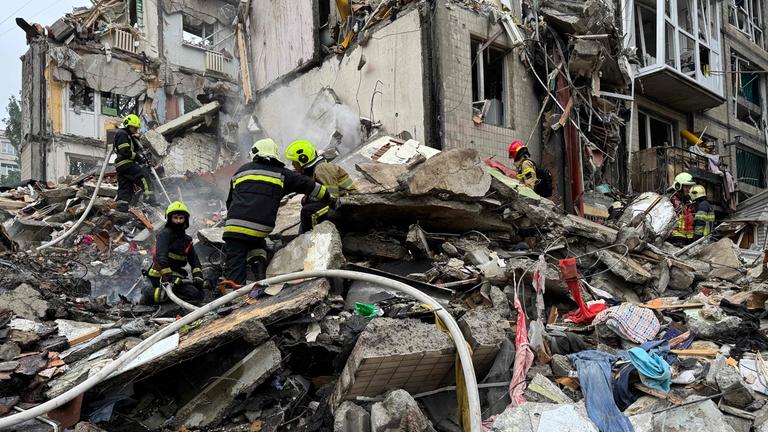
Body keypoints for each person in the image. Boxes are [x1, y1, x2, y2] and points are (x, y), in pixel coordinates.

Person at [222, 138, 329, 285]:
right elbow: (311, 186)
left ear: (255, 154)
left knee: (235, 263)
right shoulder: (282, 174)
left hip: (235, 227)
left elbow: (230, 202)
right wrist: (328, 197)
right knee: (256, 242)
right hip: (261, 228)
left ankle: (234, 294)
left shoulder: (241, 171)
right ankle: (260, 277)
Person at [141, 201, 205, 305]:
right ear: (169, 219)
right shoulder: (164, 235)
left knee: (199, 293)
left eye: (181, 218)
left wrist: (198, 276)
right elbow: (161, 256)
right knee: (192, 294)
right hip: (159, 275)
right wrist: (169, 277)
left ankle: (169, 298)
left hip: (177, 275)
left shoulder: (186, 240)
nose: (178, 221)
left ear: (185, 219)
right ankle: (148, 293)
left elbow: (194, 261)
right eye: (175, 218)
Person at [285, 140, 356, 232]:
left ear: (303, 159)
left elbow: (332, 197)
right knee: (308, 206)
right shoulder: (314, 169)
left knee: (308, 212)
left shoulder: (322, 168)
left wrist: (309, 199)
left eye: (294, 162)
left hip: (346, 206)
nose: (292, 165)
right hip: (340, 203)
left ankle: (313, 238)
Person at [113, 114, 155, 210]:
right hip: (126, 163)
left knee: (125, 188)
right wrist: (140, 159)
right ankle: (149, 199)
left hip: (121, 166)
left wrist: (137, 138)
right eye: (134, 128)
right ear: (128, 125)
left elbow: (135, 149)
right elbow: (125, 151)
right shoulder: (122, 134)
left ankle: (122, 209)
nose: (136, 130)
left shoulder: (128, 136)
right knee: (144, 176)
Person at [668, 172, 696, 244]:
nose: (689, 190)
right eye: (686, 187)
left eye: (690, 187)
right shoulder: (670, 200)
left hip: (687, 237)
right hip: (674, 236)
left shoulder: (688, 201)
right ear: (678, 186)